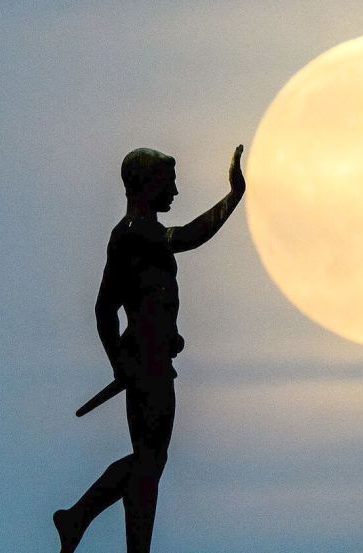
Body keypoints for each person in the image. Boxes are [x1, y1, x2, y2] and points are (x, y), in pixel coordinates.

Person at [54, 145, 246, 553]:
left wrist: (133, 352)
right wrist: (234, 196)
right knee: (148, 462)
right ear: (146, 185)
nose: (175, 191)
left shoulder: (130, 234)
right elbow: (190, 236)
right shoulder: (136, 233)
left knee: (149, 463)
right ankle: (77, 516)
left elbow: (115, 306)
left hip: (149, 358)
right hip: (148, 363)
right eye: (168, 183)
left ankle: (111, 536)